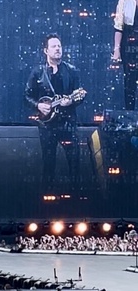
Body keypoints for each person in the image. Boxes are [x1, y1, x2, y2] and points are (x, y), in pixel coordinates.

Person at [25, 33, 84, 192]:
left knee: (74, 162)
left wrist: (71, 101)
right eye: (54, 46)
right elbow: (27, 96)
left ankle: (76, 195)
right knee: (48, 162)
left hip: (68, 123)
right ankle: (47, 198)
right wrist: (38, 105)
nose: (58, 49)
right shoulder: (38, 72)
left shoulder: (71, 71)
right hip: (47, 126)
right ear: (46, 51)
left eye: (59, 46)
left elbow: (80, 94)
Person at [112, 0, 138, 110]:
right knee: (129, 81)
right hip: (129, 44)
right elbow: (118, 27)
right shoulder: (124, 0)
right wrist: (116, 50)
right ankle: (130, 113)